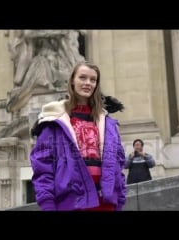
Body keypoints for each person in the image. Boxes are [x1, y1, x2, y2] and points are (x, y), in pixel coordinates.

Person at [30, 61, 126, 211]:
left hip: (105, 202)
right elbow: (43, 166)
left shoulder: (108, 124)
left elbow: (118, 163)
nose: (88, 83)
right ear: (72, 81)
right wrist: (47, 204)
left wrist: (119, 199)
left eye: (93, 80)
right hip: (71, 203)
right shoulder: (54, 120)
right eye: (83, 78)